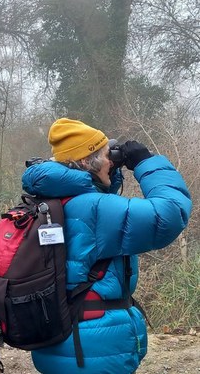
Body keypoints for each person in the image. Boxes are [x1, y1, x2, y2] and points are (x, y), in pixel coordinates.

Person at [21, 118, 192, 374]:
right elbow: (170, 215)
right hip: (92, 351)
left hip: (58, 340)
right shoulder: (96, 208)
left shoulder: (45, 201)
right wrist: (146, 162)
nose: (111, 160)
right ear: (85, 162)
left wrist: (108, 176)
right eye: (105, 154)